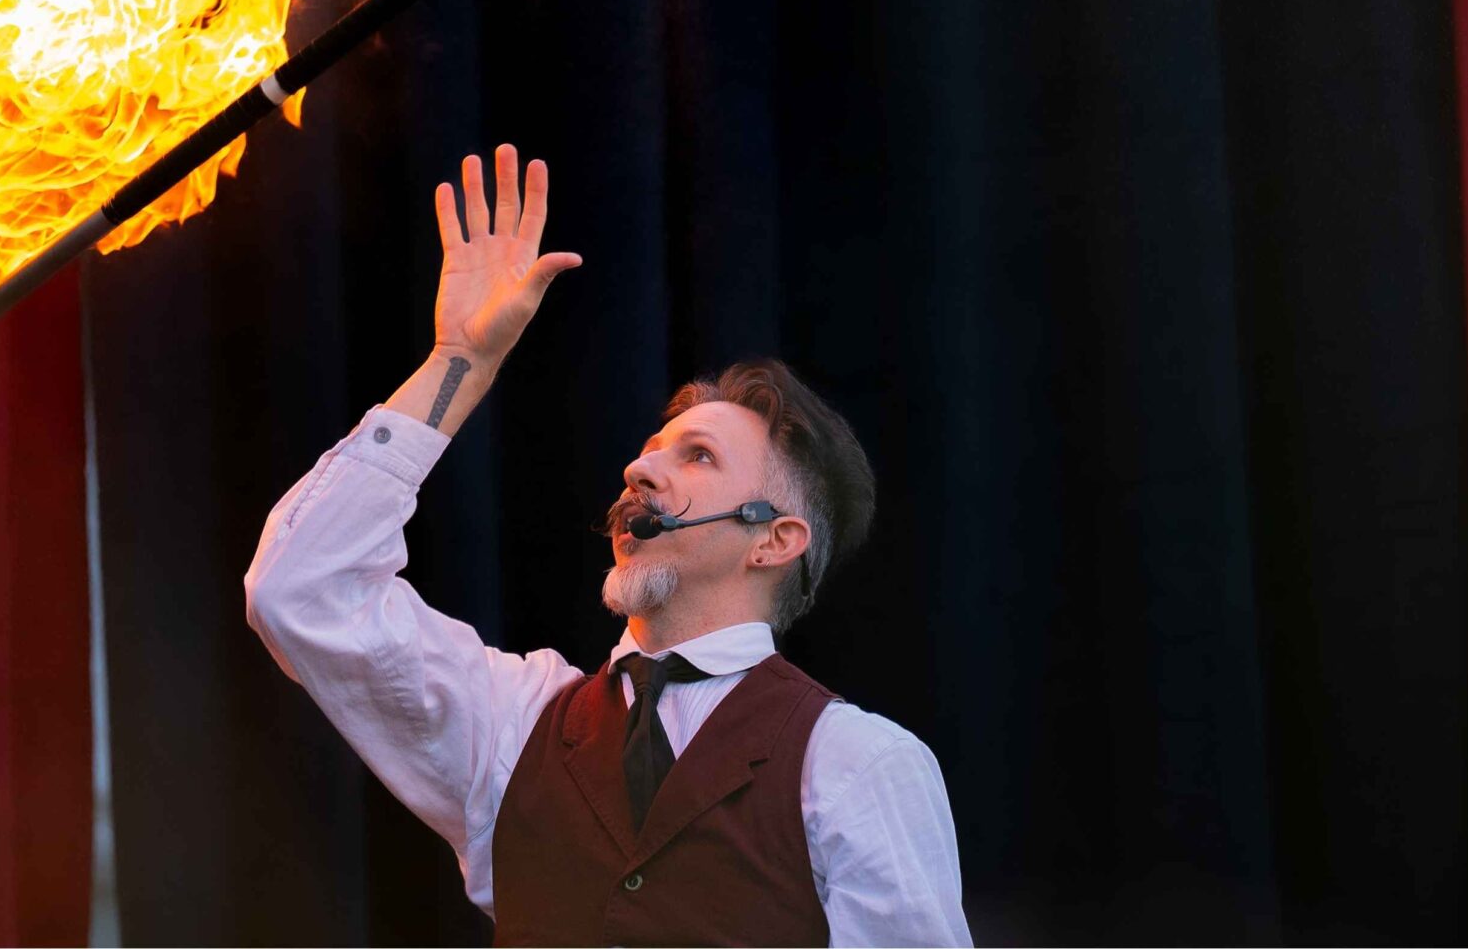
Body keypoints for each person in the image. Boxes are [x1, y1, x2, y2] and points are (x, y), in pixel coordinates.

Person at [245, 144, 972, 946]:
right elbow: (301, 589)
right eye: (652, 447)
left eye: (698, 455)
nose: (640, 466)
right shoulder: (513, 727)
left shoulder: (856, 764)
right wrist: (461, 362)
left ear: (774, 540)